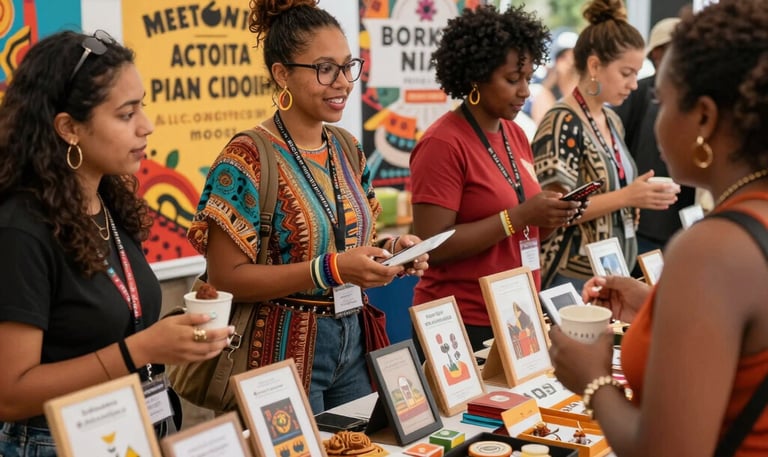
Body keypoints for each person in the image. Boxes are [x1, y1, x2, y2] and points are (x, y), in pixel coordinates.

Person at [187, 0, 428, 414]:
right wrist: (332, 269)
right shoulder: (247, 155)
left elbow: (353, 242)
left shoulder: (347, 148)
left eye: (347, 66)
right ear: (281, 74)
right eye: (324, 69)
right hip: (278, 356)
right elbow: (227, 277)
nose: (342, 83)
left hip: (353, 344)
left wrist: (392, 250)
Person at [0, 31, 234, 455]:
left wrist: (182, 325)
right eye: (126, 114)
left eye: (142, 106)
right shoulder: (21, 229)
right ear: (69, 128)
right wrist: (141, 348)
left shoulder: (107, 200)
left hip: (130, 430)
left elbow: (103, 325)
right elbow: (10, 393)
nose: (146, 125)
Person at [549, 1, 768, 454]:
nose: (655, 117)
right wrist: (658, 304)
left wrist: (593, 383)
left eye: (661, 102)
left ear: (704, 117)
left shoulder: (712, 248)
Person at [408, 4, 583, 352]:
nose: (525, 91)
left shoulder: (515, 134)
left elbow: (521, 231)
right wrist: (520, 216)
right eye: (511, 80)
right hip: (460, 320)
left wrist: (552, 216)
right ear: (476, 76)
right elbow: (430, 247)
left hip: (516, 312)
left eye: (527, 78)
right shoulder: (443, 143)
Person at [531, 0, 680, 291]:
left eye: (637, 73)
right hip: (571, 276)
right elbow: (554, 214)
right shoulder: (562, 121)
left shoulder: (611, 118)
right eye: (627, 73)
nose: (634, 84)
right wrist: (627, 197)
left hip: (608, 270)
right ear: (595, 65)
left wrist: (633, 196)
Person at [614, 17, 696, 259]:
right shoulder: (637, 92)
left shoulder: (698, 93)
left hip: (687, 220)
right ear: (657, 54)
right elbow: (619, 148)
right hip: (645, 225)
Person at [530, 29, 579, 125]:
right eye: (562, 56)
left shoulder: (585, 92)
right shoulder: (544, 95)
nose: (569, 62)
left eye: (574, 56)